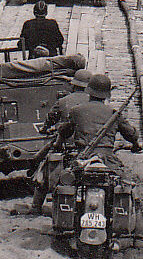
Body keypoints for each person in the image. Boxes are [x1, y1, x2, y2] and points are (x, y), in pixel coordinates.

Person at [56, 74, 143, 248]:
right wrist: (135, 144)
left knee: (64, 183)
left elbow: (64, 131)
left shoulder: (76, 111)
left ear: (89, 91)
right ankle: (139, 237)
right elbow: (131, 134)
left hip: (83, 159)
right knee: (130, 190)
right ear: (107, 94)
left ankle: (61, 229)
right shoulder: (113, 114)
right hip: (108, 161)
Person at [26, 68, 94, 214]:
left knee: (43, 171)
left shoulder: (63, 101)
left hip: (67, 145)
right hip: (91, 147)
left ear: (74, 85)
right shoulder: (94, 102)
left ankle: (36, 207)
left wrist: (45, 128)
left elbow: (51, 118)